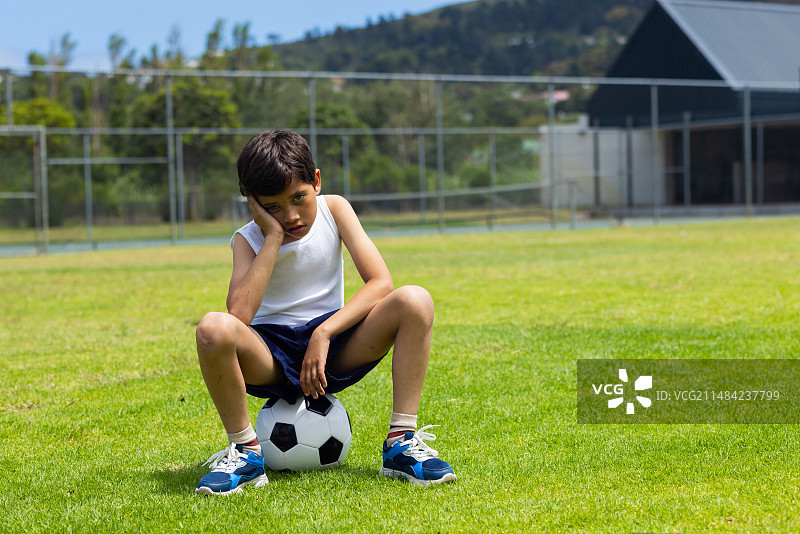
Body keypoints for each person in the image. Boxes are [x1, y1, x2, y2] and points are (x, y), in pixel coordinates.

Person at [194, 129, 456, 495]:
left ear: (316, 181)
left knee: (415, 300)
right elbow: (238, 316)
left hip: (336, 343)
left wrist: (325, 333)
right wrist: (270, 238)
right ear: (252, 203)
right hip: (270, 353)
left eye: (298, 198)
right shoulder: (247, 238)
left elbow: (381, 282)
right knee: (212, 328)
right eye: (272, 207)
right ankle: (245, 452)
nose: (290, 216)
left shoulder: (335, 209)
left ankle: (401, 442)